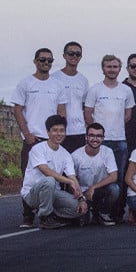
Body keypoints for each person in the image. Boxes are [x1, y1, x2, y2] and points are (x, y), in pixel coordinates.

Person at [12, 47, 67, 227]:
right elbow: (18, 110)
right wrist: (27, 134)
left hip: (52, 139)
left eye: (50, 60)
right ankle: (27, 216)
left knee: (54, 176)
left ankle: (50, 214)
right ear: (35, 61)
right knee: (29, 177)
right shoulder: (25, 83)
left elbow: (61, 110)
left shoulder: (57, 85)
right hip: (33, 139)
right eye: (42, 60)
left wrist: (60, 133)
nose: (46, 63)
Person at [84, 54, 135, 222]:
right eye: (109, 67)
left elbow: (128, 115)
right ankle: (93, 210)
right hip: (100, 142)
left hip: (119, 141)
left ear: (120, 69)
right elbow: (88, 114)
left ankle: (113, 212)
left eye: (115, 67)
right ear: (103, 68)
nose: (112, 70)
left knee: (118, 179)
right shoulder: (95, 89)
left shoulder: (126, 90)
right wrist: (97, 136)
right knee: (98, 177)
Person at [20, 115, 87, 229]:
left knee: (79, 210)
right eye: (55, 130)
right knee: (49, 181)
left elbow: (73, 177)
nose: (58, 134)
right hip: (33, 194)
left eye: (62, 131)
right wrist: (68, 181)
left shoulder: (65, 154)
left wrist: (81, 199)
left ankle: (55, 216)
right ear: (48, 132)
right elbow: (45, 171)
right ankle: (45, 217)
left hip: (53, 193)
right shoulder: (38, 149)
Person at [72, 123, 119, 226]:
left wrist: (93, 187)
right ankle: (87, 210)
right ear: (86, 137)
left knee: (115, 189)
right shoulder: (76, 155)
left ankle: (103, 212)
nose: (95, 139)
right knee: (82, 223)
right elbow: (72, 180)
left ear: (103, 138)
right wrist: (81, 198)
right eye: (92, 135)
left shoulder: (108, 152)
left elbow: (114, 176)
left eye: (99, 136)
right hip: (82, 193)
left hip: (100, 190)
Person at [52, 41, 88, 153]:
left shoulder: (83, 80)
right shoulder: (54, 78)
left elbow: (84, 105)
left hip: (79, 131)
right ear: (64, 55)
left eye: (77, 54)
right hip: (60, 132)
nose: (74, 56)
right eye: (71, 53)